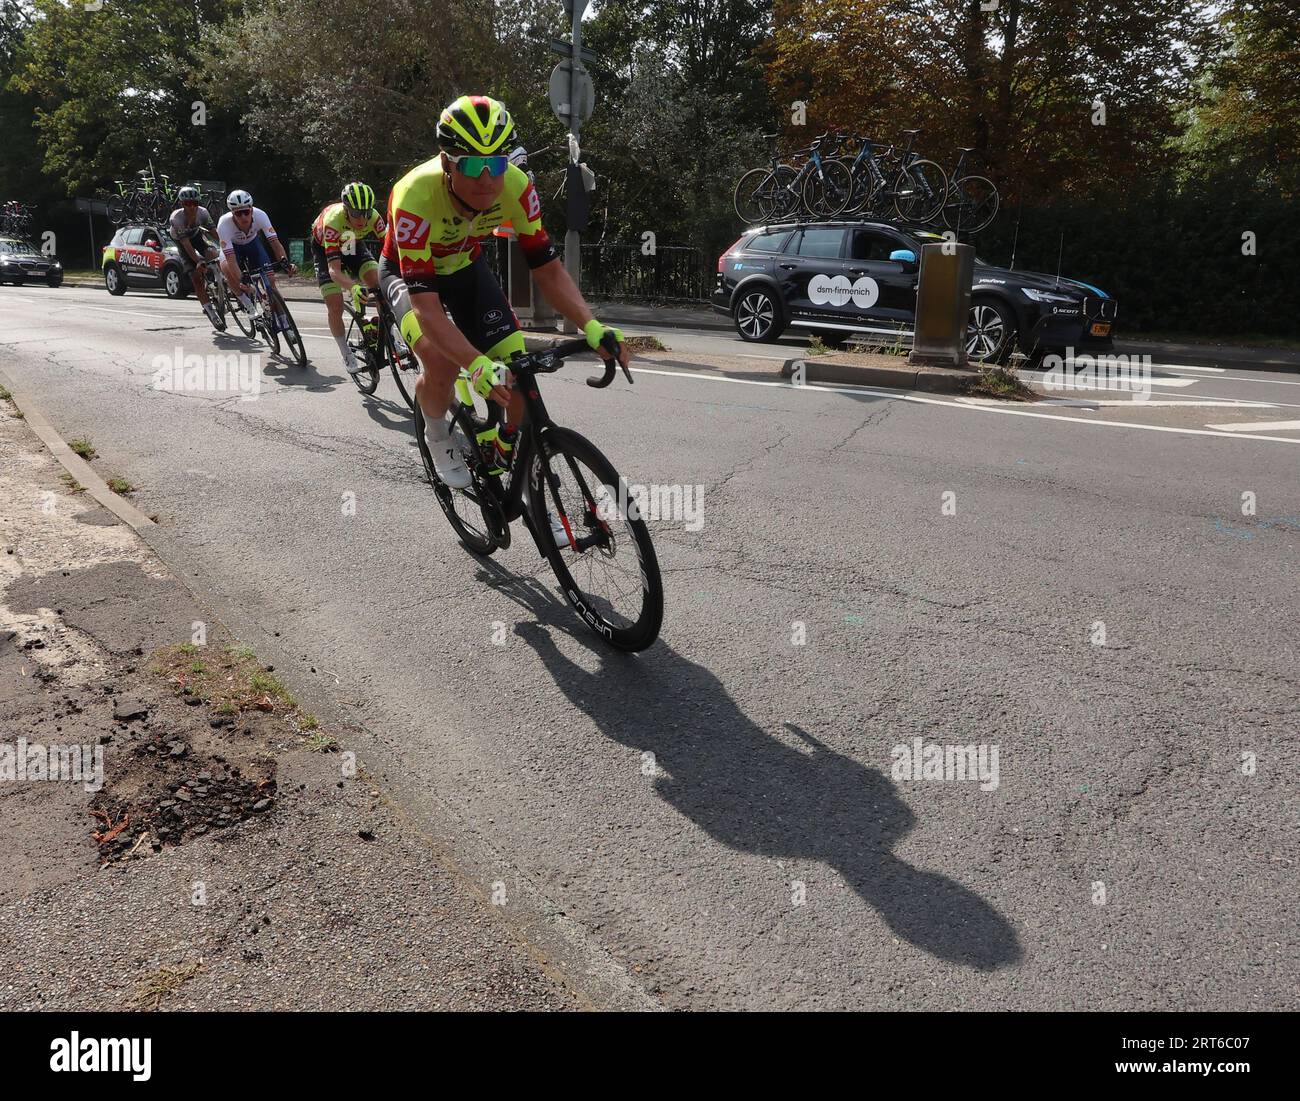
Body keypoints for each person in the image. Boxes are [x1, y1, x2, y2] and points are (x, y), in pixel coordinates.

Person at [378, 94, 626, 489]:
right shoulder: (415, 195)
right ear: (447, 163)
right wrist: (476, 363)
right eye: (473, 164)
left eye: (496, 164)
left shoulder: (517, 186)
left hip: (464, 267)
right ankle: (437, 435)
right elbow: (427, 307)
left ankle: (509, 451)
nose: (486, 179)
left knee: (517, 372)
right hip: (407, 276)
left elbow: (547, 268)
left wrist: (591, 326)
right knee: (441, 363)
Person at [311, 182, 387, 374]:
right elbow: (334, 271)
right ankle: (345, 352)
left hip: (351, 243)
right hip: (325, 248)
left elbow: (390, 251)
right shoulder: (333, 221)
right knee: (334, 305)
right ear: (346, 209)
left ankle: (388, 337)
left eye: (366, 213)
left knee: (381, 285)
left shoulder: (375, 217)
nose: (362, 219)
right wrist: (353, 287)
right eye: (355, 214)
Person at [216, 189, 297, 318]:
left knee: (271, 282)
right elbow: (231, 260)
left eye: (246, 212)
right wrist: (242, 278)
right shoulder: (224, 224)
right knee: (227, 270)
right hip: (233, 248)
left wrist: (285, 262)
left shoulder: (261, 215)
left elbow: (275, 243)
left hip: (252, 244)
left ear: (252, 210)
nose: (243, 216)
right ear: (232, 214)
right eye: (238, 213)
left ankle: (284, 321)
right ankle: (246, 302)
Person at [167, 185, 224, 329]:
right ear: (182, 204)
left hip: (196, 235)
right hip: (182, 242)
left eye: (195, 203)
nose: (192, 207)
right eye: (188, 204)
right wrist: (198, 261)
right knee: (195, 278)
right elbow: (186, 245)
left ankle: (219, 279)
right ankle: (210, 311)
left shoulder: (203, 212)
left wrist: (226, 245)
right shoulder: (176, 218)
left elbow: (213, 232)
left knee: (212, 252)